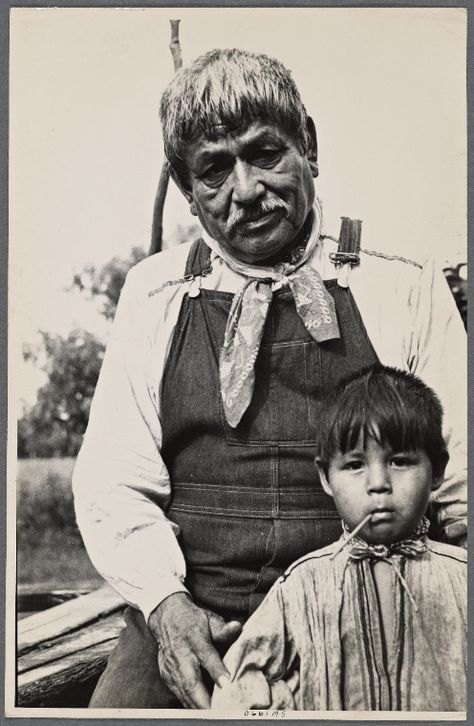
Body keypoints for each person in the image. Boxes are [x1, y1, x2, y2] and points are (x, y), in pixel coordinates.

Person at [72, 48, 467, 709]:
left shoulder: (401, 278)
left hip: (367, 604)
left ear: (308, 144)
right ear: (185, 189)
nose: (246, 189)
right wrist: (166, 607)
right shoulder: (155, 292)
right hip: (200, 621)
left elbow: (462, 471)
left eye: (266, 153)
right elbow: (114, 483)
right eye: (214, 171)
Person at [211, 366, 467, 712]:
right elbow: (236, 687)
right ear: (326, 478)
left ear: (437, 470)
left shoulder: (462, 579)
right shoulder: (302, 585)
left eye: (400, 461)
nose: (378, 483)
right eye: (354, 465)